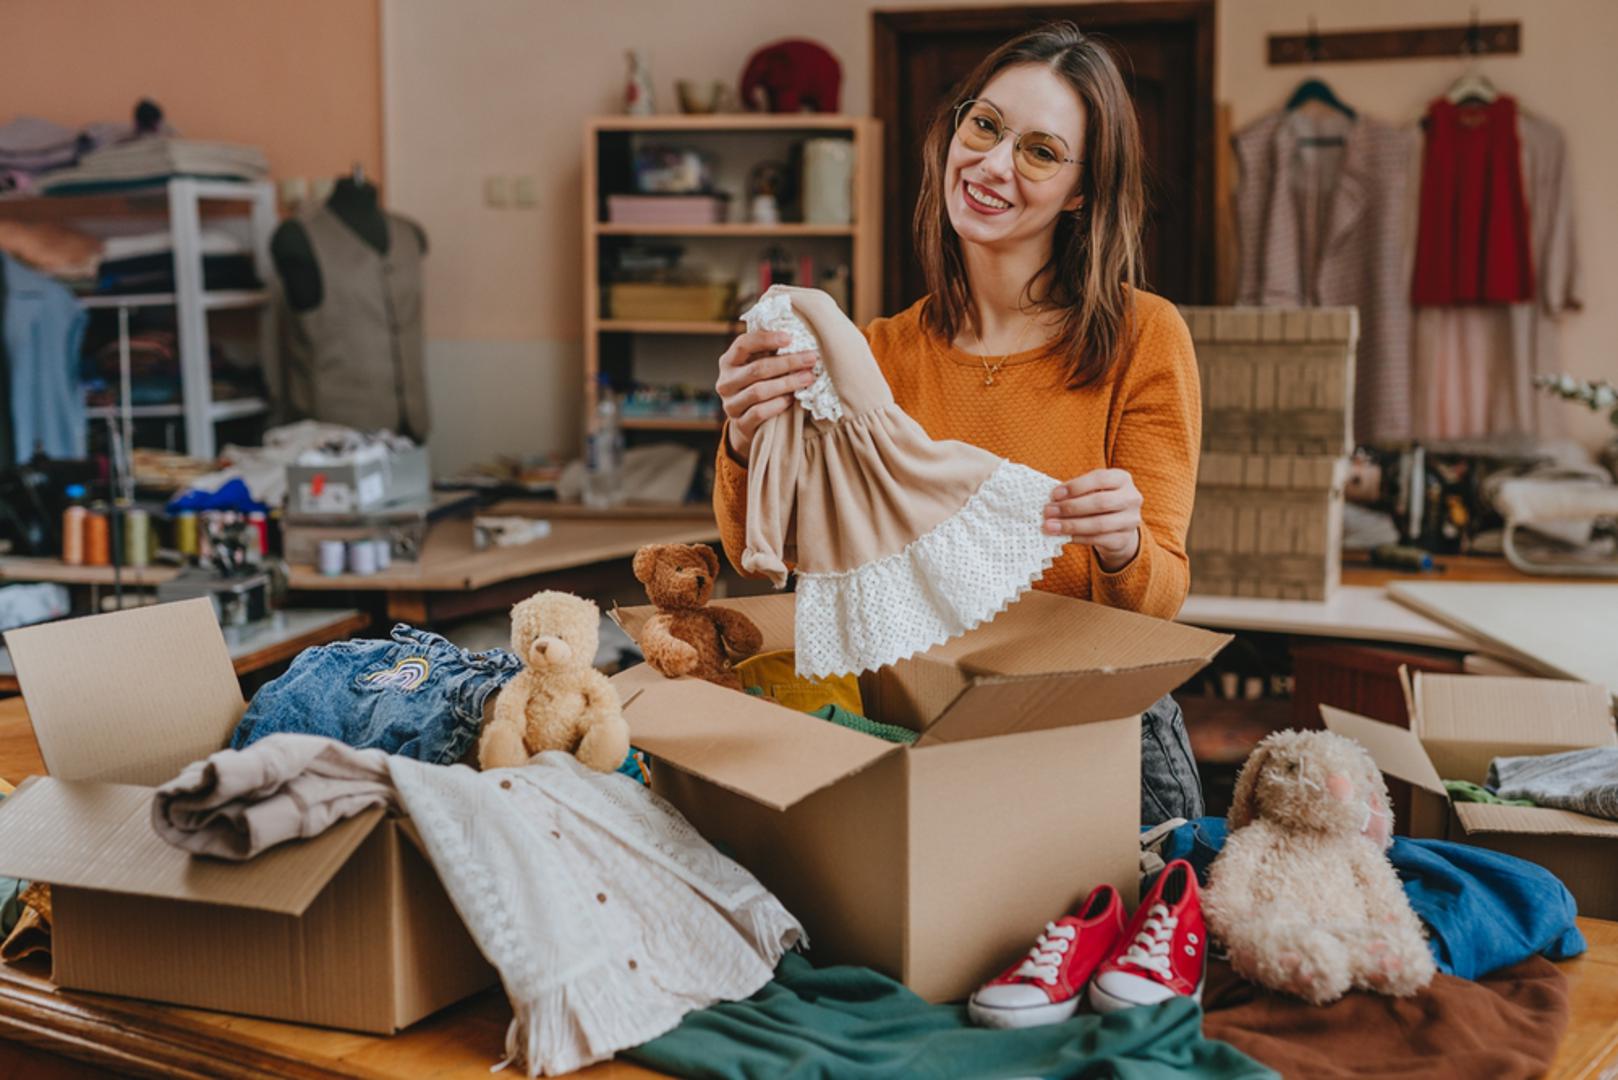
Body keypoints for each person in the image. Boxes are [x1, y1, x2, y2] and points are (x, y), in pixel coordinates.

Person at [711, 22, 1203, 826]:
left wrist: (1123, 545)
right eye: (986, 125)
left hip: (1095, 744)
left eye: (1041, 151)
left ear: (1081, 191)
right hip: (918, 738)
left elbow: (1160, 598)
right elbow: (764, 554)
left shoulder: (1144, 337)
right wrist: (743, 435)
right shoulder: (873, 356)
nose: (995, 164)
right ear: (955, 130)